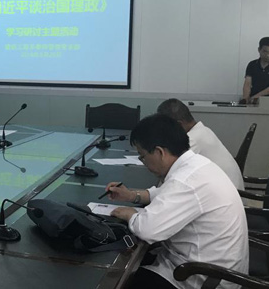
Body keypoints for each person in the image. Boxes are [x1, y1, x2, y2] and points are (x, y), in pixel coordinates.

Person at [106, 114, 248, 289]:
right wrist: (132, 196)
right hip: (214, 269)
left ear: (159, 152)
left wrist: (131, 214)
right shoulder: (197, 164)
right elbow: (167, 194)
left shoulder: (186, 181)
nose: (143, 163)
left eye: (142, 156)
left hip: (200, 278)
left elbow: (148, 230)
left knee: (119, 279)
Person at [156, 99, 244, 190]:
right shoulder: (202, 131)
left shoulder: (192, 139)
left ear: (179, 125)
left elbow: (169, 172)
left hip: (228, 192)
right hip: (229, 189)